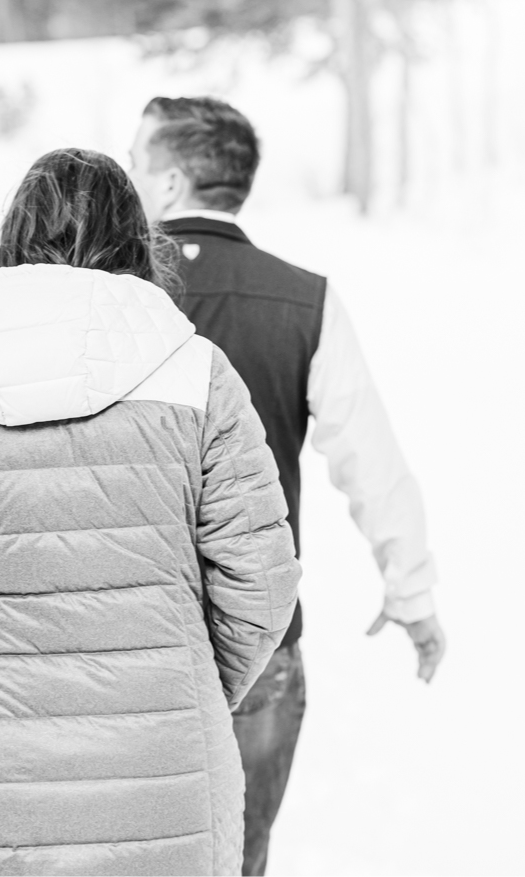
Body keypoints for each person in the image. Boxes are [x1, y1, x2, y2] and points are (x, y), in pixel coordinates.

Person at [0, 148, 301, 877]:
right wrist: (185, 688)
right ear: (136, 241)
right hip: (168, 778)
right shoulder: (197, 374)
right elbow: (263, 582)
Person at [126, 96, 444, 876]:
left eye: (136, 163)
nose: (129, 178)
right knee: (238, 858)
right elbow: (372, 460)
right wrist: (412, 593)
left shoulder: (102, 295)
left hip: (120, 640)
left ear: (169, 185)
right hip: (257, 640)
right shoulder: (306, 301)